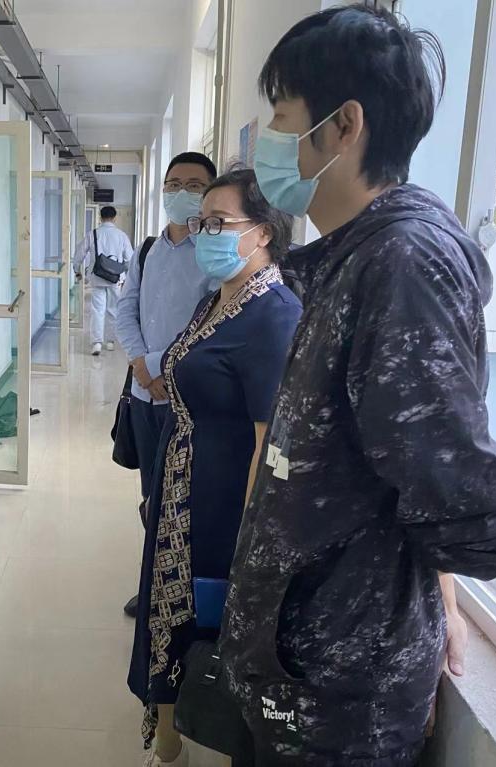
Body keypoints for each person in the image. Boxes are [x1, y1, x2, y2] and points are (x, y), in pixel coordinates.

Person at [217, 6, 496, 765]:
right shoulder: (354, 257)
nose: (267, 140)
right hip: (302, 668)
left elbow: (464, 505)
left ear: (343, 126)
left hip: (340, 693)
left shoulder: (402, 265)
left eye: (282, 116)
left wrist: (460, 556)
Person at [129, 167, 302, 767]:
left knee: (202, 614)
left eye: (219, 223)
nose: (205, 234)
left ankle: (201, 728)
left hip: (224, 503)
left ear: (264, 231)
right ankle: (167, 730)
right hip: (183, 484)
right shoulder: (217, 298)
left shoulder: (275, 316)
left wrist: (251, 543)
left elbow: (269, 444)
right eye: (203, 222)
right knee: (169, 606)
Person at [115, 152, 217, 619]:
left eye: (194, 185)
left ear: (210, 193)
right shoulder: (148, 249)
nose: (181, 193)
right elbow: (127, 308)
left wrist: (158, 366)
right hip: (145, 397)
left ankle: (183, 594)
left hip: (187, 399)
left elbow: (212, 322)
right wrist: (141, 363)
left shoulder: (213, 252)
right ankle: (154, 585)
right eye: (173, 184)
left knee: (183, 499)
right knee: (151, 496)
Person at [73, 204, 134, 355]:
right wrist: (126, 275)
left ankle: (97, 343)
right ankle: (111, 341)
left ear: (100, 217)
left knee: (97, 310)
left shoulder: (93, 234)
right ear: (115, 218)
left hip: (97, 277)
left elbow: (79, 253)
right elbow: (130, 259)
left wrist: (77, 270)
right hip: (115, 279)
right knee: (113, 309)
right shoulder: (121, 236)